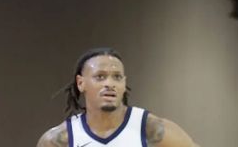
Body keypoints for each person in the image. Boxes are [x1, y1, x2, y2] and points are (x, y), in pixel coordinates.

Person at [36, 47, 201, 147]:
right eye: (100, 77)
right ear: (81, 83)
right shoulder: (59, 139)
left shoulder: (150, 129)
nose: (110, 84)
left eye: (117, 77)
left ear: (124, 83)